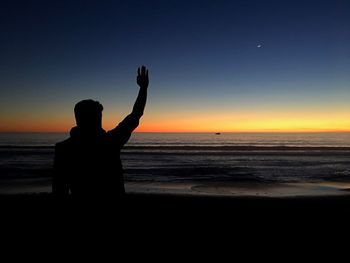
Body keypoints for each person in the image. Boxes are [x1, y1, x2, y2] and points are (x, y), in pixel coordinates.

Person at [53, 66, 149, 199]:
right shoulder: (110, 141)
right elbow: (136, 114)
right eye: (97, 116)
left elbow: (59, 189)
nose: (99, 120)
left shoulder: (64, 148)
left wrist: (143, 89)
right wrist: (143, 88)